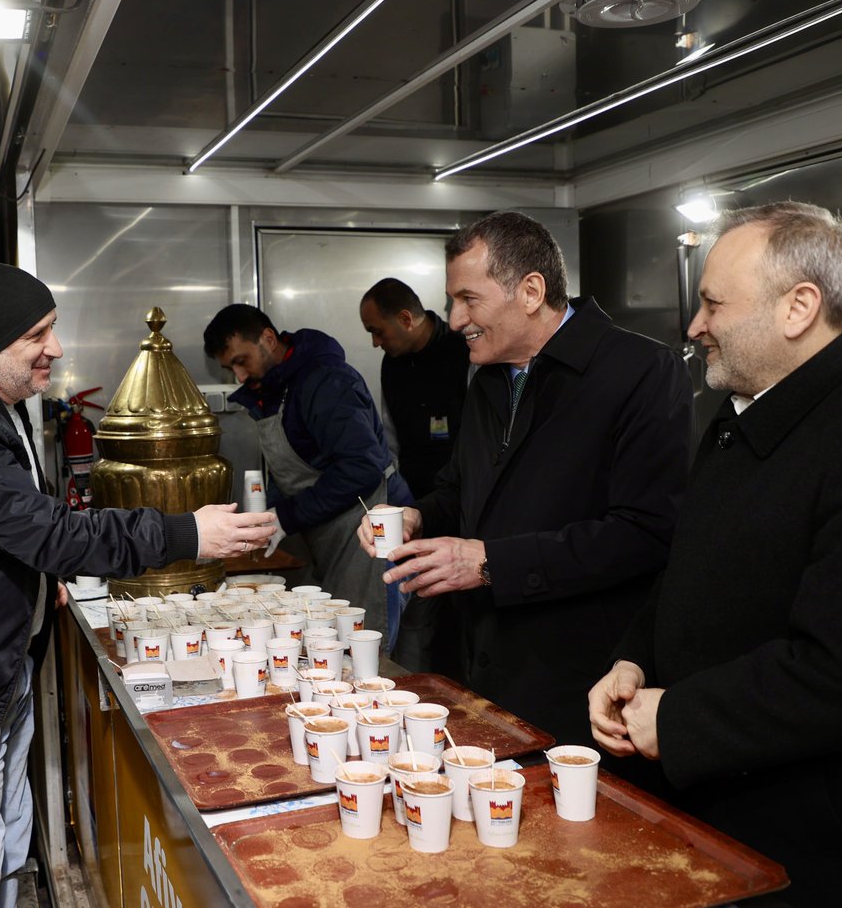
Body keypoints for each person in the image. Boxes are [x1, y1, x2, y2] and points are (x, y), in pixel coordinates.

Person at [0, 260, 275, 908]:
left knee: (8, 851)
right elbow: (50, 533)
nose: (57, 348)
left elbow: (0, 533)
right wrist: (188, 534)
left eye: (53, 328)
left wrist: (41, 589)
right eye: (38, 335)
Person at [588, 202, 842, 906]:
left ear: (799, 308)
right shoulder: (745, 409)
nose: (695, 328)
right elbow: (695, 564)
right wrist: (636, 657)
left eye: (713, 305)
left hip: (829, 848)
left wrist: (679, 719)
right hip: (721, 811)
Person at [359, 211, 694, 747]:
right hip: (484, 664)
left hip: (578, 678)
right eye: (452, 300)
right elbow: (460, 487)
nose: (452, 319)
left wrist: (489, 563)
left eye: (469, 299)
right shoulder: (489, 377)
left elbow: (645, 533)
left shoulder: (640, 371)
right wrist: (419, 513)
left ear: (531, 291)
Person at [204, 304, 412, 642]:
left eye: (242, 361)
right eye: (230, 369)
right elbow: (291, 468)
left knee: (368, 642)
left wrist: (284, 517)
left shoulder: (327, 381)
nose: (239, 377)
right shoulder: (270, 390)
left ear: (268, 339)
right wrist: (267, 515)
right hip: (329, 531)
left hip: (370, 530)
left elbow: (361, 468)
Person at [359, 277, 470, 500]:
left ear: (405, 319)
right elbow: (390, 436)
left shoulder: (464, 350)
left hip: (463, 496)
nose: (375, 342)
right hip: (413, 497)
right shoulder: (391, 364)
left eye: (378, 331)